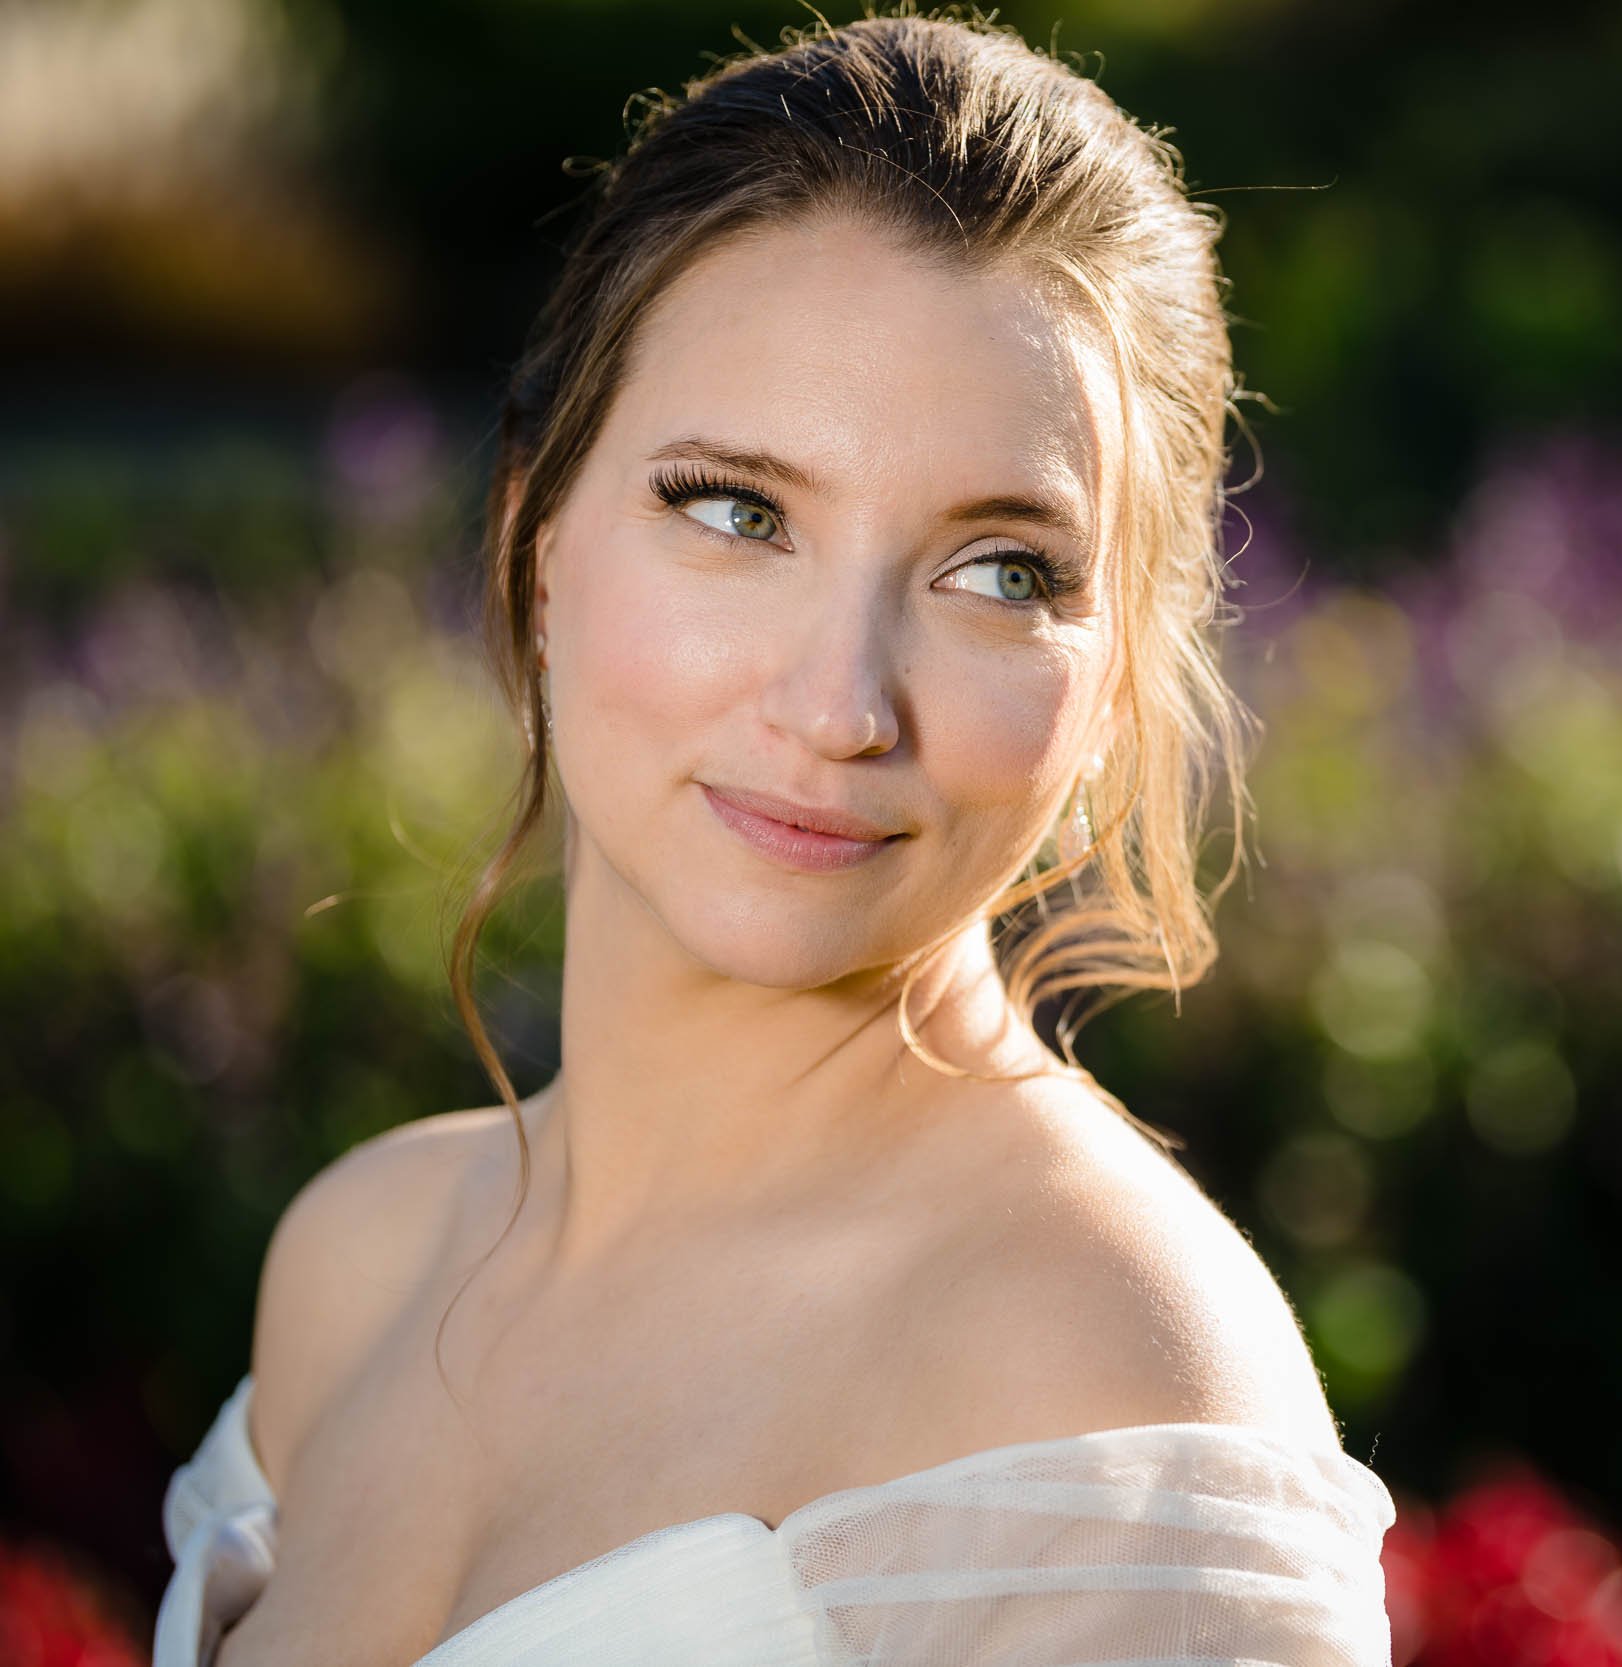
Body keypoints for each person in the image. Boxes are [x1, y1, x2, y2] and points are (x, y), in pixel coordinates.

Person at [154, 12, 1397, 1665]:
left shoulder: (1110, 1387)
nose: (839, 706)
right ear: (539, 540)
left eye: (1001, 570)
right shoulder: (359, 1262)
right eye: (736, 512)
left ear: (1116, 681)